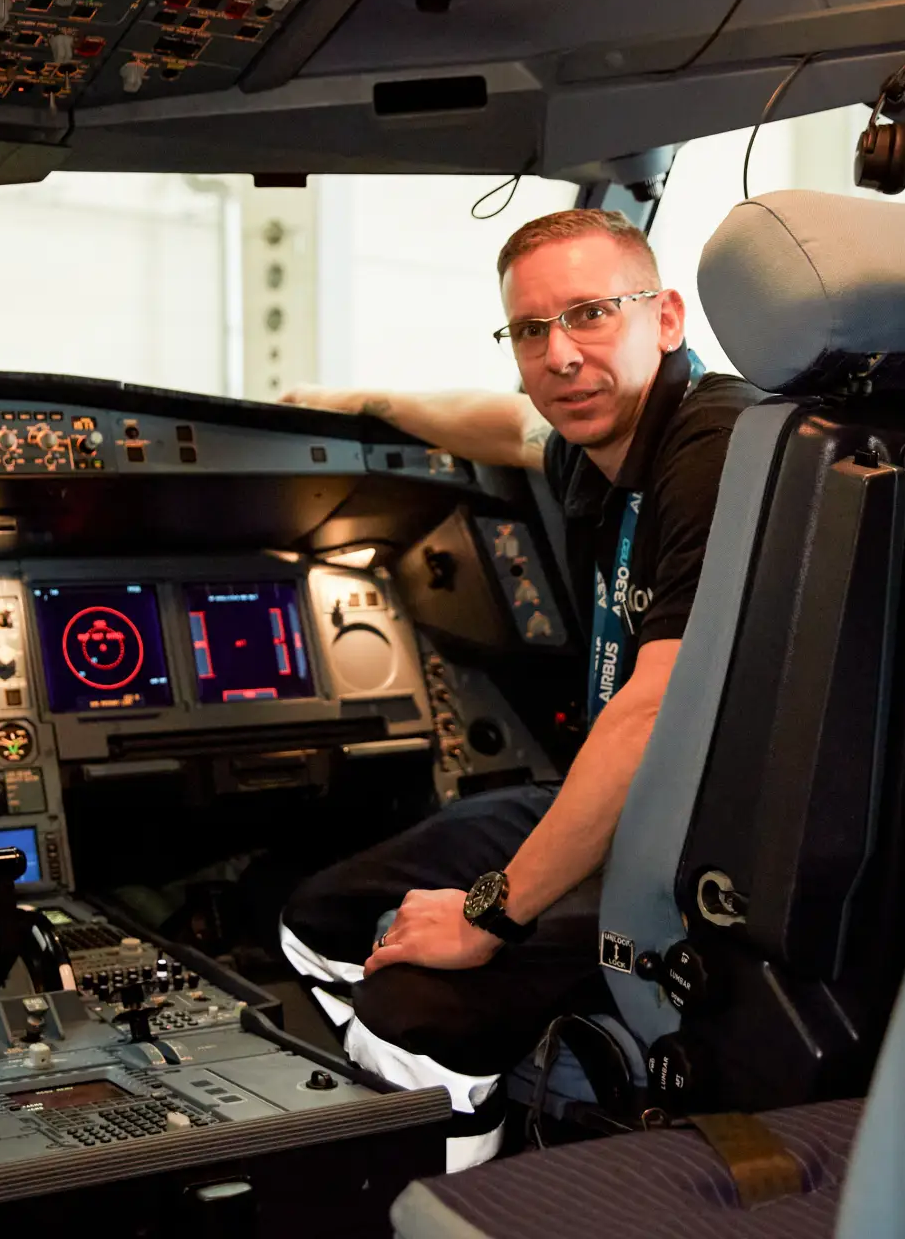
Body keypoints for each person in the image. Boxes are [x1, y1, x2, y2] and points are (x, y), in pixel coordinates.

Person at [278, 209, 761, 1168]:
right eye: (531, 330)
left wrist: (489, 912)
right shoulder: (612, 441)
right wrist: (365, 399)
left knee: (413, 1015)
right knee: (314, 917)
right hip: (628, 806)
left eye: (589, 314)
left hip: (705, 846)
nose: (561, 355)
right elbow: (505, 424)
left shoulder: (715, 446)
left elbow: (655, 708)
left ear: (665, 317)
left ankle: (467, 1169)